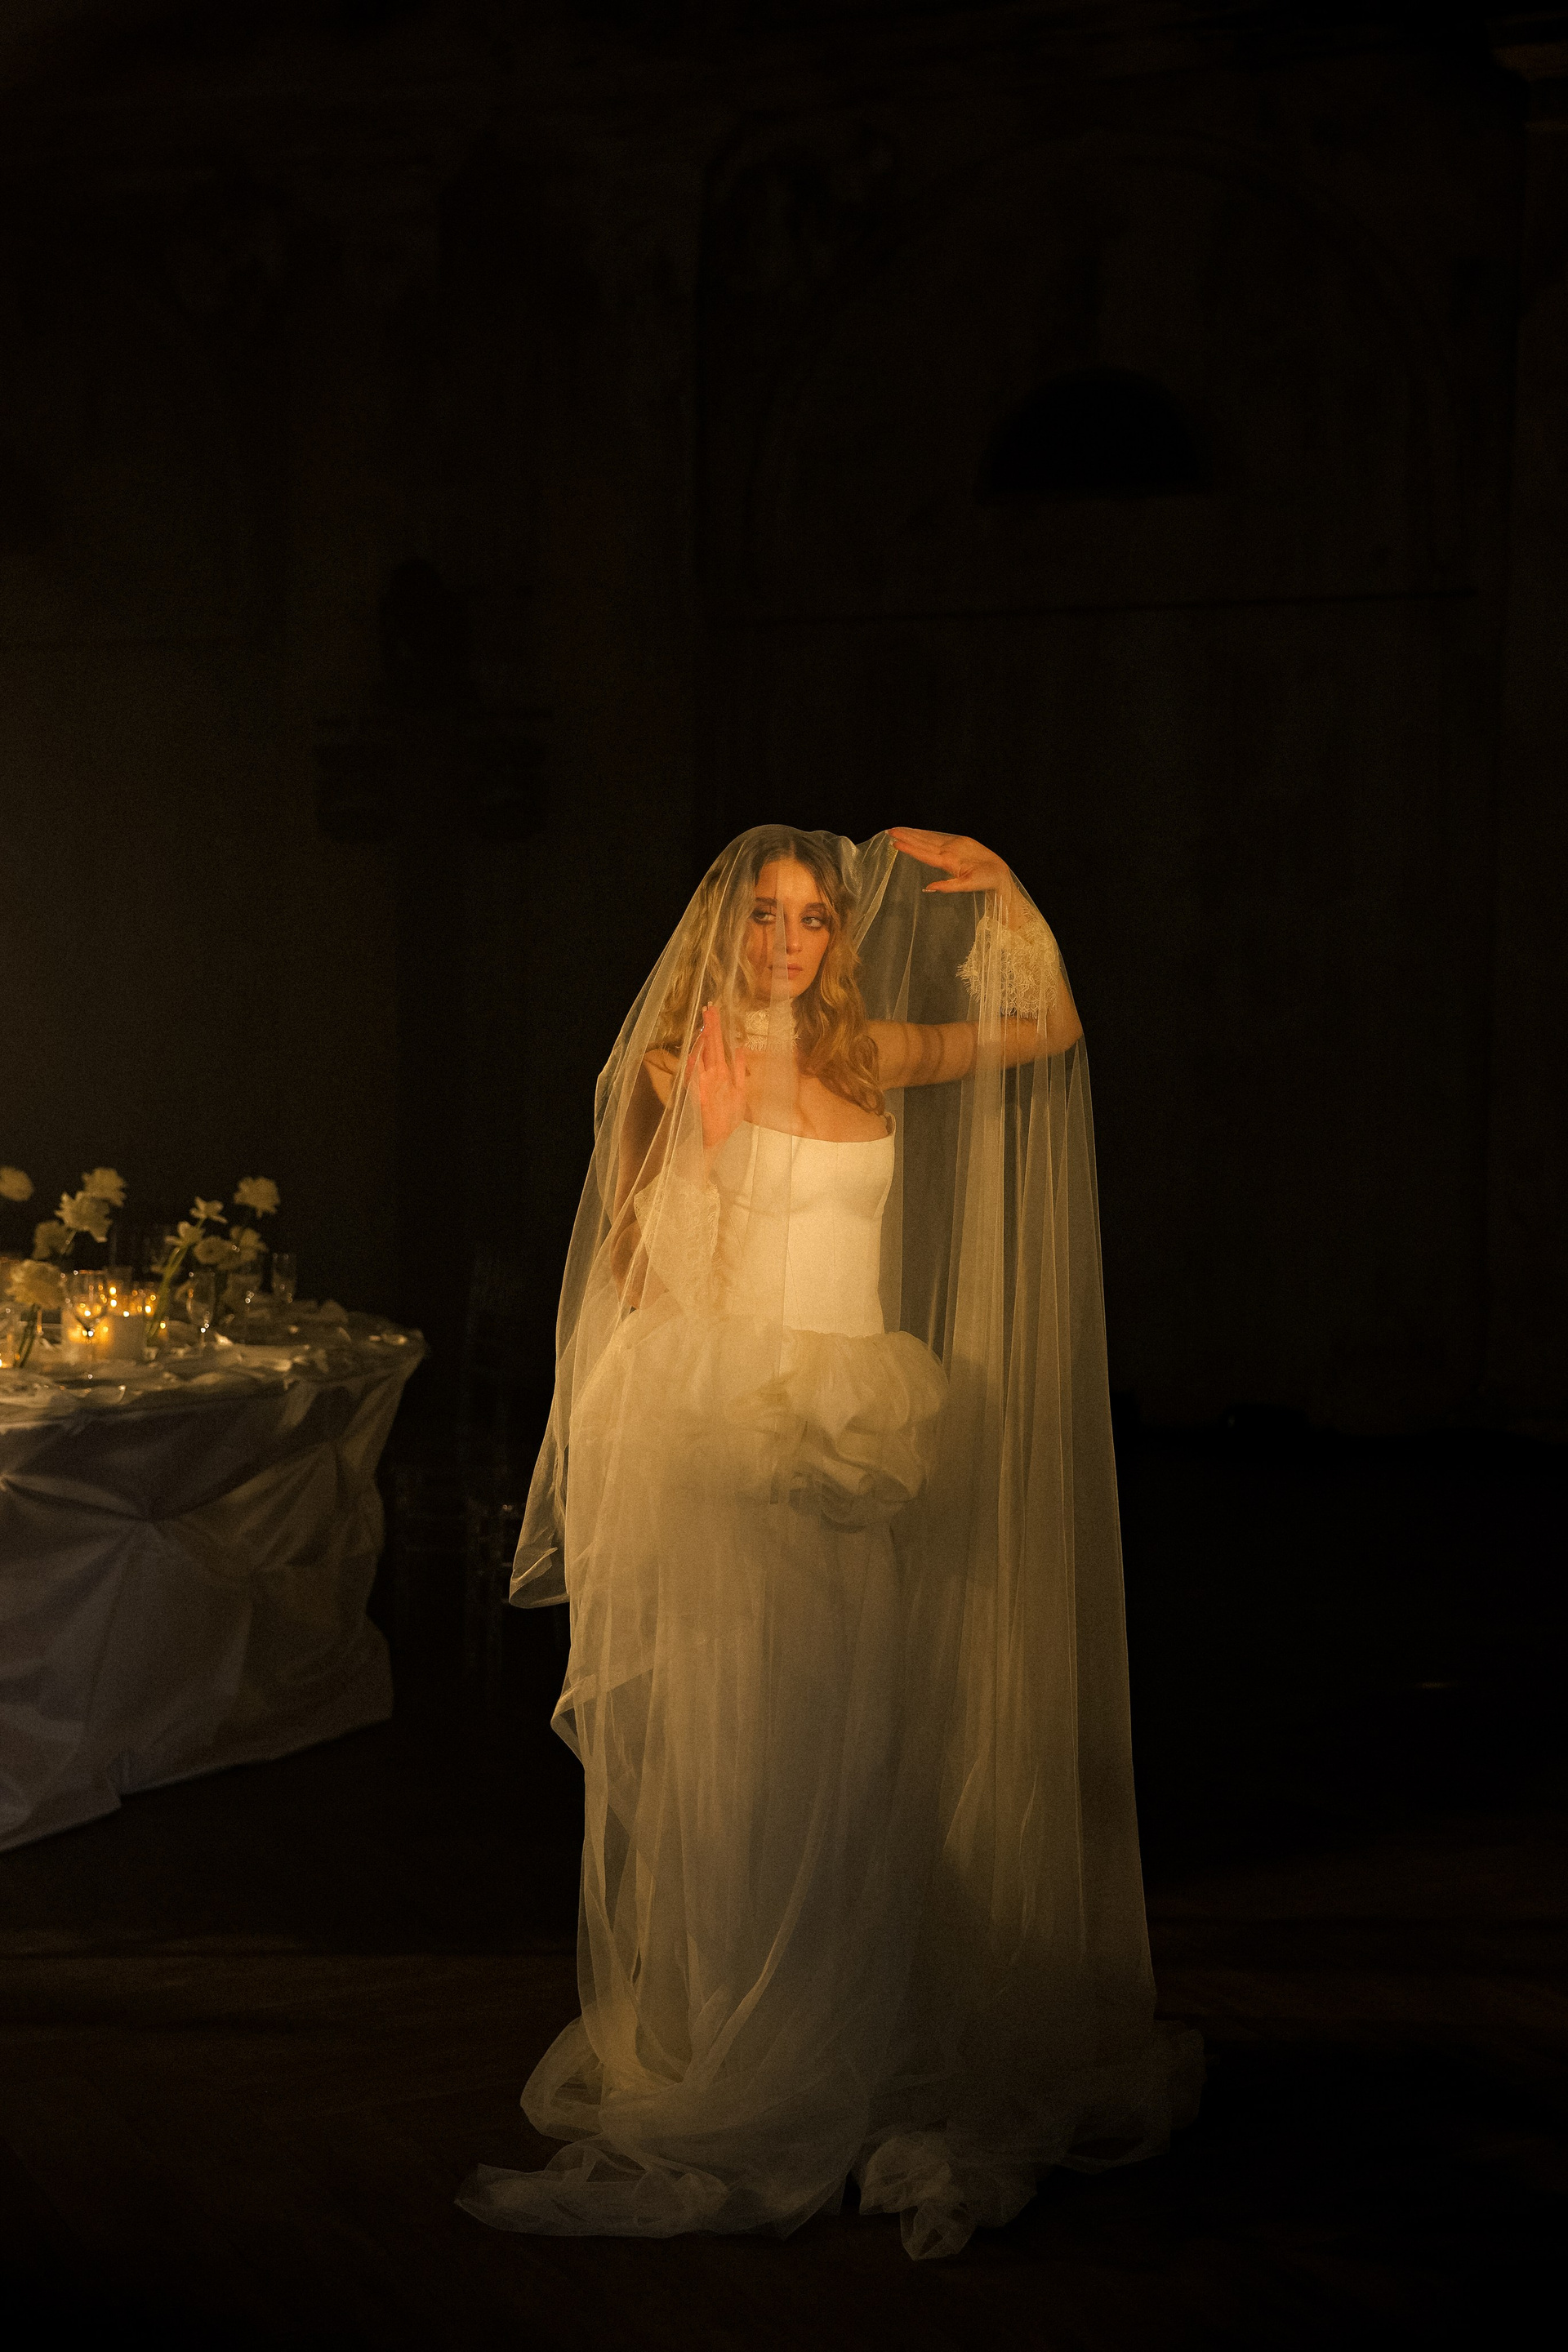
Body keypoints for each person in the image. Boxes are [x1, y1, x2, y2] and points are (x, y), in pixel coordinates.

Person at [459, 825, 1200, 2261]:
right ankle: (750, 2036)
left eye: (812, 919)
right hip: (734, 1429)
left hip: (854, 1431)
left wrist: (1005, 888)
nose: (790, 941)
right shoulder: (676, 1068)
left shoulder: (869, 1060)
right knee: (746, 1738)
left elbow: (1050, 1030)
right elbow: (629, 1276)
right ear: (722, 931)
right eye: (765, 916)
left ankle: (846, 2026)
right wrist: (700, 1149)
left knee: (853, 1737)